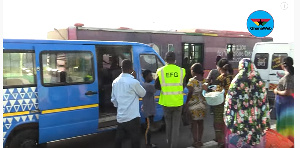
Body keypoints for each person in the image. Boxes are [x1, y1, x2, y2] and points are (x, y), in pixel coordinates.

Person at [224, 58, 270, 148]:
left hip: (239, 125)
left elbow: (229, 103)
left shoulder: (236, 82)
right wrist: (265, 122)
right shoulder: (259, 81)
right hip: (257, 124)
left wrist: (228, 119)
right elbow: (264, 103)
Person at [111, 59, 146, 148]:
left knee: (118, 141)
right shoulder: (133, 82)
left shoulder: (115, 82)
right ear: (131, 69)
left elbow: (113, 99)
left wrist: (120, 107)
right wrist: (135, 78)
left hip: (121, 116)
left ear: (121, 68)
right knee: (135, 141)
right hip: (132, 117)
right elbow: (143, 93)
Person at [155, 51, 186, 148]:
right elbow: (183, 85)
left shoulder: (160, 71)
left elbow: (157, 86)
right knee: (176, 127)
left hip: (166, 102)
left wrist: (166, 88)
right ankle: (174, 146)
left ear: (165, 60)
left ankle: (169, 145)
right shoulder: (181, 71)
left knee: (168, 126)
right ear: (175, 60)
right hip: (178, 102)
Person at [213, 58, 233, 148]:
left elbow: (218, 91)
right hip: (230, 104)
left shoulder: (221, 78)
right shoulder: (232, 76)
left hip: (221, 103)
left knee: (218, 122)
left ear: (220, 68)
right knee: (227, 123)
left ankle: (220, 141)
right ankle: (227, 140)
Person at [185, 63, 206, 148]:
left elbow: (189, 93)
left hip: (193, 105)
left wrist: (186, 103)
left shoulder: (192, 81)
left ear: (193, 71)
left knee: (194, 124)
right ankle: (200, 141)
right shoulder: (204, 81)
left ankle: (195, 141)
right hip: (203, 105)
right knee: (201, 123)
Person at [274, 56, 294, 143]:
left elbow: (288, 92)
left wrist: (276, 91)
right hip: (287, 103)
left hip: (285, 104)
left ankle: (285, 142)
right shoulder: (292, 75)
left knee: (284, 124)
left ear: (283, 65)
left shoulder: (288, 77)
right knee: (289, 124)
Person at [141, 70, 158, 148]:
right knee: (149, 127)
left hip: (147, 108)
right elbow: (156, 88)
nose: (152, 77)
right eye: (150, 75)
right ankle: (148, 144)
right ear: (146, 77)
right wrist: (158, 78)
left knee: (149, 126)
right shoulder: (148, 86)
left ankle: (148, 143)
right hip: (149, 110)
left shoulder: (144, 85)